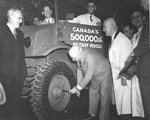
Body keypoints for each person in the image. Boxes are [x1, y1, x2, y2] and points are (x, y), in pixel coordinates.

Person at [103, 18, 145, 119]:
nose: (103, 29)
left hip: (123, 78)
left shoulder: (122, 40)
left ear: (112, 26)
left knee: (125, 106)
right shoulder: (114, 39)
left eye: (105, 27)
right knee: (121, 104)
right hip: (117, 77)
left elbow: (127, 60)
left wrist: (124, 77)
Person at [69, 46, 113, 120]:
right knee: (92, 93)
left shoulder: (90, 57)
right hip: (95, 74)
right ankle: (93, 116)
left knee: (104, 97)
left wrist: (76, 88)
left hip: (104, 73)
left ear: (79, 54)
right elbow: (79, 72)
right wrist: (79, 88)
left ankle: (103, 118)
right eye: (72, 58)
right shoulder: (79, 56)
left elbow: (88, 77)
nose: (73, 60)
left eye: (74, 58)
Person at [0, 7, 28, 120]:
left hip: (19, 75)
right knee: (4, 105)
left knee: (16, 104)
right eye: (19, 18)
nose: (21, 21)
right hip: (5, 75)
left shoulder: (20, 33)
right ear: (10, 16)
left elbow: (21, 55)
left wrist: (24, 74)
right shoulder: (0, 31)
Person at [126, 0, 150, 119]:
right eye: (133, 18)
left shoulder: (146, 29)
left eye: (138, 16)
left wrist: (133, 54)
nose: (135, 19)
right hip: (140, 70)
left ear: (144, 18)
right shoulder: (135, 35)